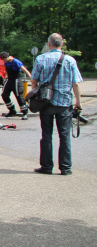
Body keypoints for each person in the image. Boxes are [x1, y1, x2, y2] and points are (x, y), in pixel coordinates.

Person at [30, 33, 82, 175]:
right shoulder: (70, 60)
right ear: (62, 44)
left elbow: (34, 81)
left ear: (49, 44)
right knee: (64, 136)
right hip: (64, 103)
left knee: (46, 134)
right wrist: (78, 102)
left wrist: (33, 94)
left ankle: (46, 167)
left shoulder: (41, 59)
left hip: (45, 102)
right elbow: (75, 83)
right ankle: (65, 168)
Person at [0, 52, 32, 120]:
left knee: (19, 96)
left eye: (3, 60)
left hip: (16, 80)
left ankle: (25, 112)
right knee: (4, 95)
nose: (3, 61)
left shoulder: (16, 62)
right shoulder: (6, 62)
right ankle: (12, 110)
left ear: (7, 58)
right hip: (9, 80)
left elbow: (24, 70)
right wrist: (5, 77)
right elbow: (7, 71)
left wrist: (31, 78)